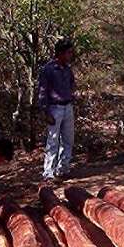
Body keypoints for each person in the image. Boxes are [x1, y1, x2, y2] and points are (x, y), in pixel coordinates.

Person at [38, 39, 76, 181]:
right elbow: (42, 91)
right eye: (68, 52)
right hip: (54, 108)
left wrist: (70, 96)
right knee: (53, 140)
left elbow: (72, 83)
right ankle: (48, 173)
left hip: (68, 107)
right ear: (60, 53)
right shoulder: (48, 70)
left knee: (68, 140)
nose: (71, 55)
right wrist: (46, 112)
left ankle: (63, 169)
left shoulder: (67, 69)